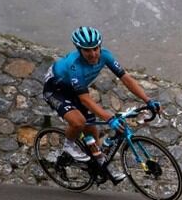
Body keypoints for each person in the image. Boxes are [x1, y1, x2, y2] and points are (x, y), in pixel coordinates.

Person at [43, 26, 161, 182]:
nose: (93, 54)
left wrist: (148, 100)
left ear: (100, 46)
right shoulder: (74, 64)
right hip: (56, 90)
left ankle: (99, 166)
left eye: (95, 48)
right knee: (79, 122)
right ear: (79, 50)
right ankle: (68, 147)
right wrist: (109, 118)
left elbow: (126, 79)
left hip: (76, 90)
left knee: (92, 130)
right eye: (87, 50)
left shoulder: (105, 56)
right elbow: (85, 99)